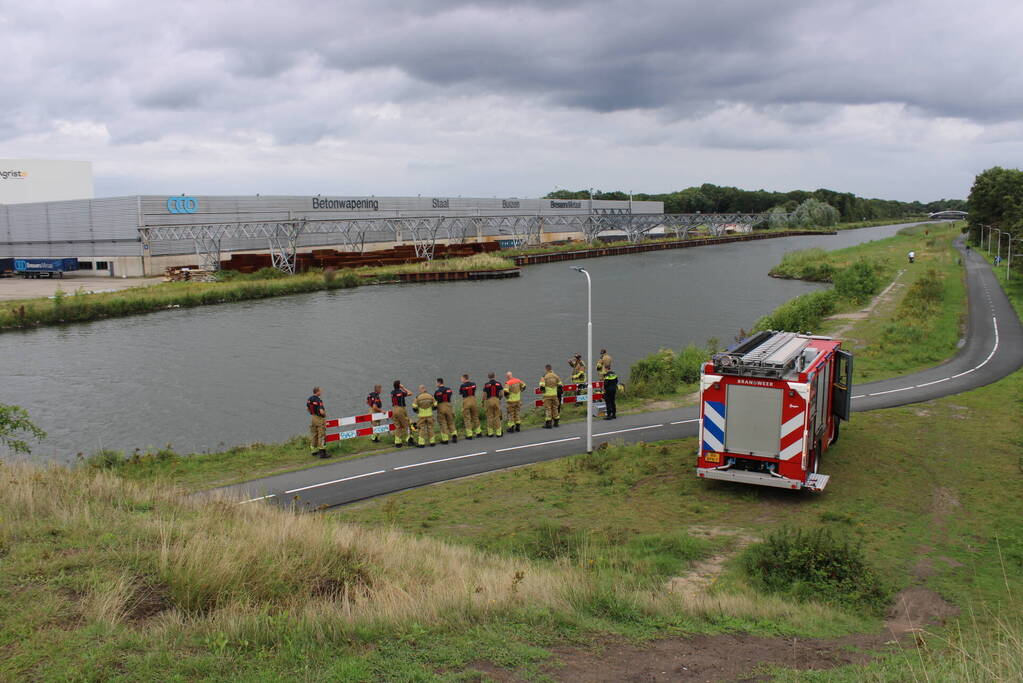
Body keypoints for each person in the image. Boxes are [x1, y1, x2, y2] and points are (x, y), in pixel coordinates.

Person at [390, 380, 414, 447]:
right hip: (401, 409)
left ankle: (398, 442)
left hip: (394, 409)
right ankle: (409, 440)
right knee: (407, 424)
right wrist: (403, 388)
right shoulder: (401, 392)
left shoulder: (392, 392)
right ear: (399, 385)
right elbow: (410, 393)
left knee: (398, 426)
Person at [306, 386, 328, 458]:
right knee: (321, 435)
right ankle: (322, 453)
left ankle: (313, 450)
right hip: (319, 418)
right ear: (317, 392)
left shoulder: (310, 399)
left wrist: (312, 414)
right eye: (320, 391)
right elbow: (321, 412)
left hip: (313, 418)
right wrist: (325, 415)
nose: (321, 392)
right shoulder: (319, 400)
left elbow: (307, 408)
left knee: (314, 434)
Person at [434, 378, 457, 444]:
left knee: (443, 423)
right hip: (448, 405)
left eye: (436, 383)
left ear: (439, 383)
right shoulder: (449, 389)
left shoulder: (437, 392)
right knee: (451, 421)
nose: (436, 384)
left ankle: (445, 439)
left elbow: (436, 400)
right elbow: (450, 395)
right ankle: (454, 435)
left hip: (441, 406)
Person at [459, 373, 482, 439]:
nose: (461, 380)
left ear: (464, 378)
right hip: (473, 400)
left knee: (467, 418)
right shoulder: (473, 384)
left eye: (461, 378)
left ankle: (469, 434)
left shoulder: (462, 386)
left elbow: (461, 393)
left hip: (466, 400)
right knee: (475, 417)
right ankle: (478, 432)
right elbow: (474, 389)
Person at [539, 364, 562, 428]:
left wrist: (542, 390)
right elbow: (560, 385)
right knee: (555, 408)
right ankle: (556, 422)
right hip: (554, 395)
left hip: (547, 395)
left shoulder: (544, 376)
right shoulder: (556, 375)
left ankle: (548, 424)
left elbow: (542, 385)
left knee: (548, 409)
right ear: (551, 369)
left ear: (546, 369)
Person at [482, 372, 504, 437]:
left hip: (489, 400)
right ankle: (499, 433)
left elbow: (484, 395)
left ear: (488, 377)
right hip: (496, 400)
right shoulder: (498, 384)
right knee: (497, 416)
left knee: (489, 417)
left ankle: (490, 433)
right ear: (494, 376)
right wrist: (499, 398)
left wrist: (483, 402)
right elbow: (502, 394)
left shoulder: (486, 385)